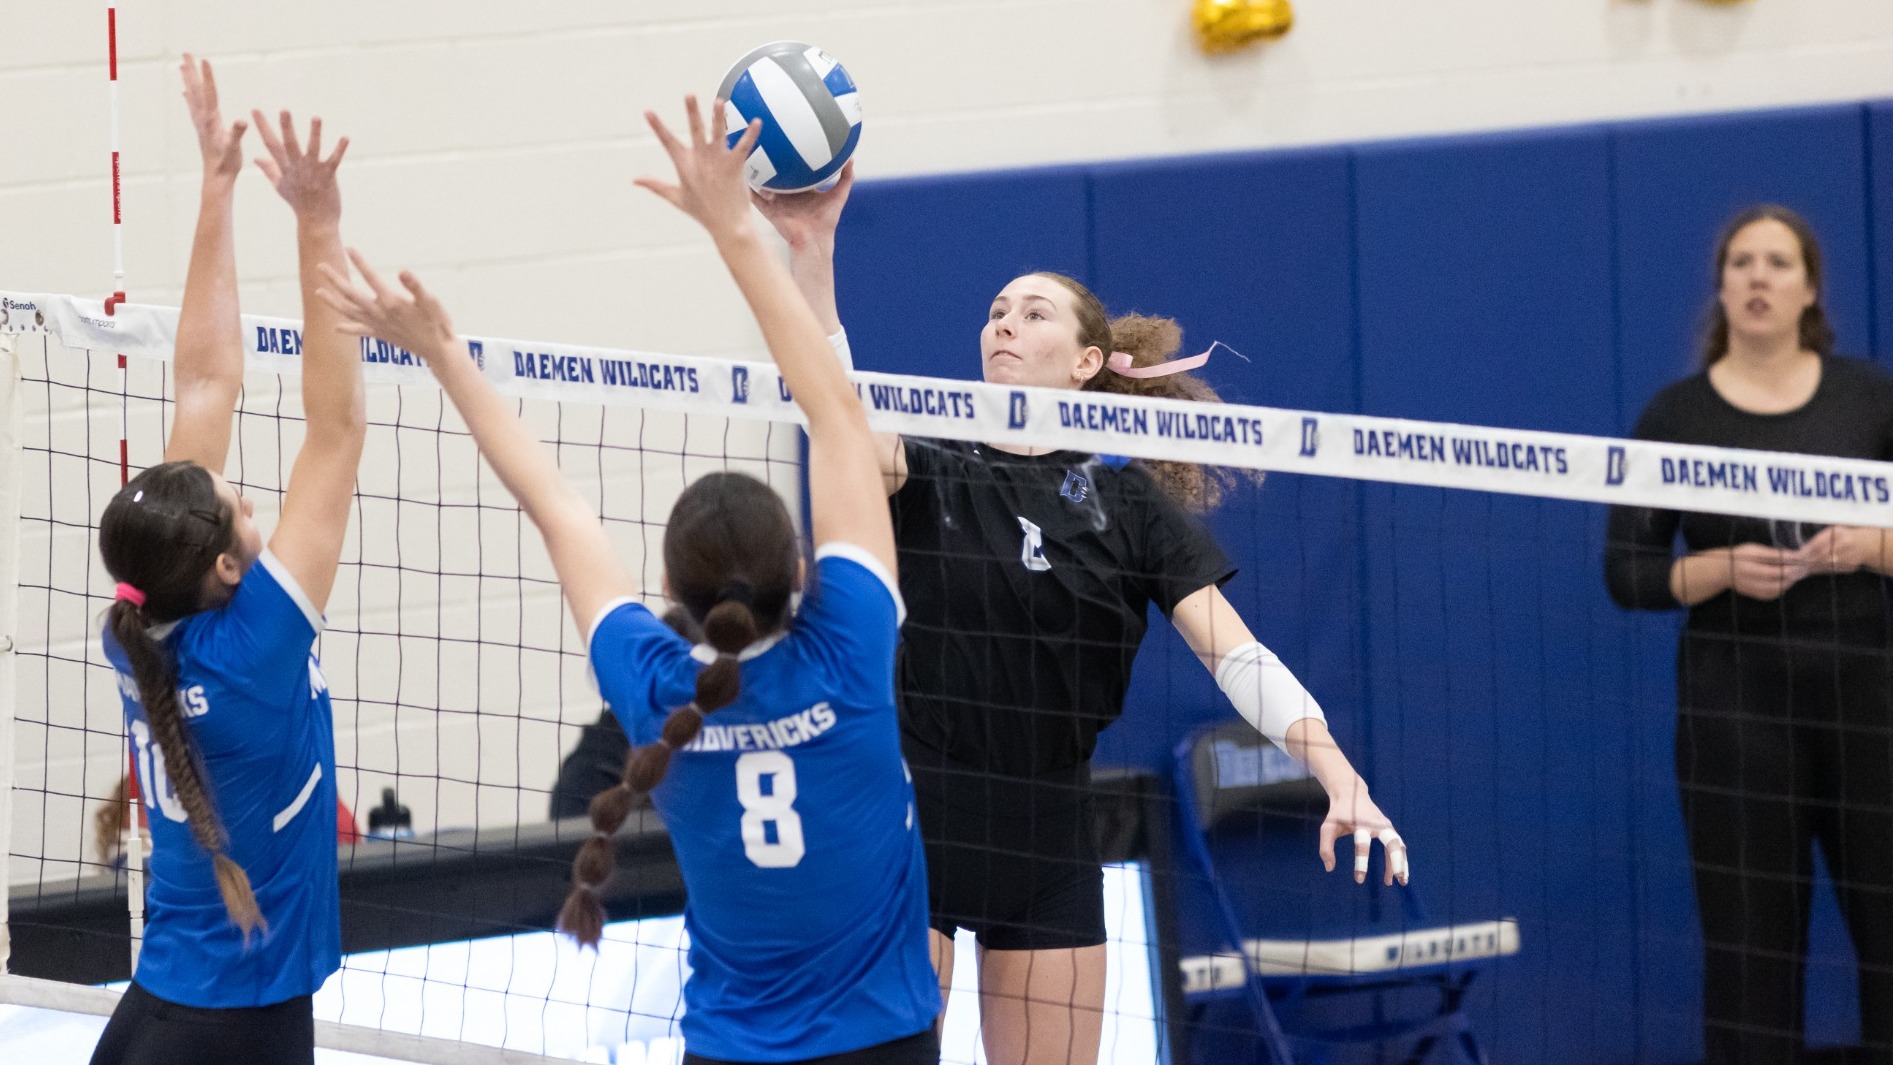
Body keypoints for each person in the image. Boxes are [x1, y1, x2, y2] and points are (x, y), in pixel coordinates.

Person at [317, 95, 939, 1065]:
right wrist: (747, 235)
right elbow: (834, 416)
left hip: (731, 1048)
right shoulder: (853, 640)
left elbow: (555, 504)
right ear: (803, 570)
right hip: (884, 1042)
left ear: (673, 592)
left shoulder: (654, 686)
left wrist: (443, 353)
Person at [753, 166, 1408, 1065]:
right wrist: (811, 247)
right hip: (915, 820)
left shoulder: (1127, 504)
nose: (1004, 324)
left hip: (1051, 833)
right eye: (994, 311)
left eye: (1032, 312)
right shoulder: (932, 466)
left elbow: (1237, 655)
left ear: (1088, 359)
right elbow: (831, 409)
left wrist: (1339, 775)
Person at [89, 56, 362, 1065]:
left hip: (159, 1015)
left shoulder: (145, 628)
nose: (241, 490)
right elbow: (333, 428)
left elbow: (206, 381)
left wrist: (218, 189)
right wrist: (317, 225)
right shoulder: (252, 643)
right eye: (238, 504)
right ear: (229, 569)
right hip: (232, 1035)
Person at [1606, 204, 1893, 1063]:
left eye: (1776, 262)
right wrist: (1722, 567)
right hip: (1734, 710)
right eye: (1740, 262)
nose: (1757, 276)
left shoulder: (1869, 399)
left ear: (1808, 287)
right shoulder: (1676, 415)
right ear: (1722, 285)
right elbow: (1626, 570)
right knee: (1749, 952)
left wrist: (1873, 546)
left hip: (1868, 699)